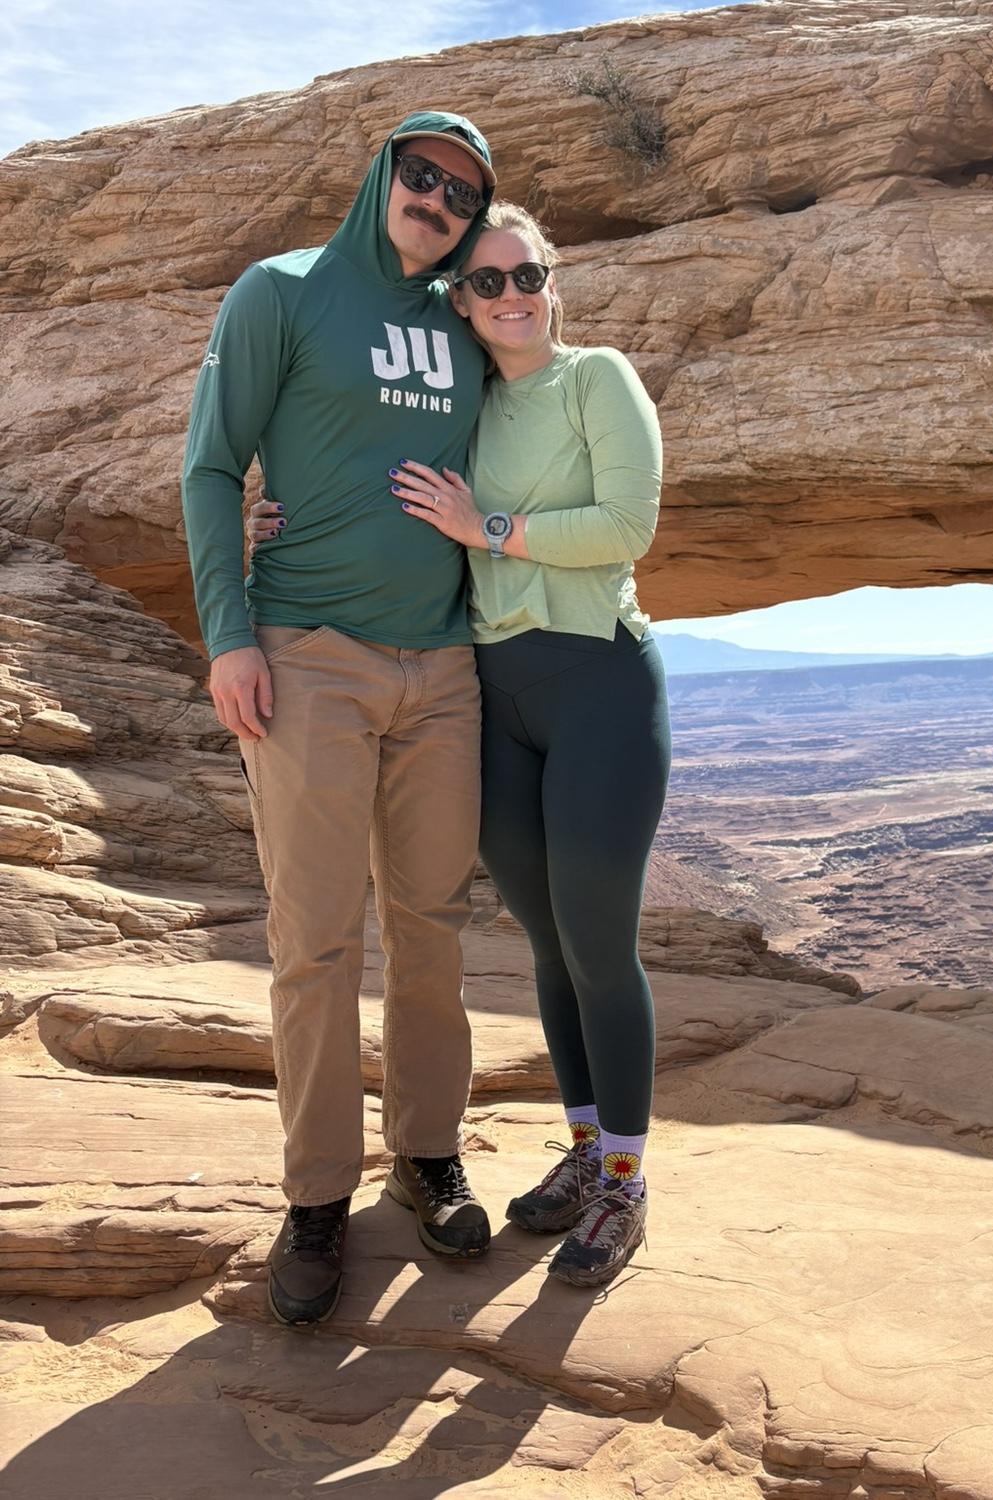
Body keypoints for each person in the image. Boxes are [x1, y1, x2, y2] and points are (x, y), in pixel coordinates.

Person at [250, 201, 668, 1288]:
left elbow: (626, 527)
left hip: (597, 686)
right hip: (494, 694)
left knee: (599, 941)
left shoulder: (596, 378)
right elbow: (372, 474)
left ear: (551, 280)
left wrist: (487, 529)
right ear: (458, 304)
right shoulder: (465, 401)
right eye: (485, 283)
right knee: (545, 941)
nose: (511, 296)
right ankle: (584, 1152)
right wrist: (274, 516)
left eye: (526, 274)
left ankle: (624, 1184)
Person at [182, 111, 501, 1329]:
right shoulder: (284, 292)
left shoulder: (464, 320)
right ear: (383, 177)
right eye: (421, 176)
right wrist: (227, 633)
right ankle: (317, 1196)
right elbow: (213, 468)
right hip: (308, 659)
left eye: (460, 192)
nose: (436, 199)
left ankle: (427, 1155)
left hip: (444, 671)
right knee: (314, 940)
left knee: (430, 925)